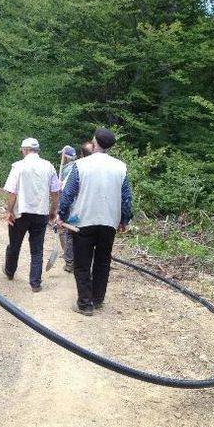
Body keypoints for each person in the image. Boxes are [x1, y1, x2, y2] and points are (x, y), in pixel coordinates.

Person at [57, 128, 133, 316]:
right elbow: (126, 198)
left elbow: (68, 194)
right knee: (103, 261)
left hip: (83, 221)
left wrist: (62, 215)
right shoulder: (120, 167)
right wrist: (124, 219)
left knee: (82, 263)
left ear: (94, 143)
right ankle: (97, 299)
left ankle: (84, 303)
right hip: (109, 222)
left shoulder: (81, 165)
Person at [3, 138, 61, 292]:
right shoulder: (48, 166)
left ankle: (9, 271)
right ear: (37, 150)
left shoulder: (19, 166)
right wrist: (53, 211)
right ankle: (35, 283)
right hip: (40, 213)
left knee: (14, 244)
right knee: (37, 249)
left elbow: (12, 192)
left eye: (22, 150)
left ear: (26, 149)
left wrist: (9, 211)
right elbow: (55, 192)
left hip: (20, 212)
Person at [57, 145, 77, 273]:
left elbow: (64, 191)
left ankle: (69, 260)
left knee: (64, 231)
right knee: (72, 233)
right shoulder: (78, 167)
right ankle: (71, 258)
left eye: (62, 155)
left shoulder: (67, 170)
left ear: (66, 157)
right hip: (78, 206)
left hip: (69, 205)